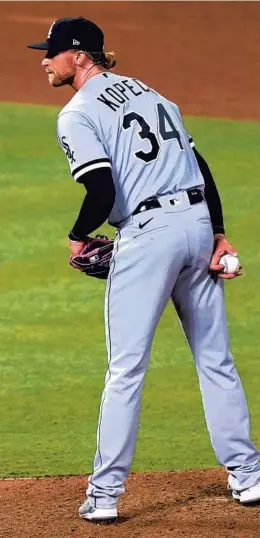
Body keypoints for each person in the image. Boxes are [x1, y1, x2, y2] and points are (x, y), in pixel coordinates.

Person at [28, 17, 260, 522]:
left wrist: (75, 239)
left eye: (52, 52)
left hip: (149, 236)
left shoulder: (78, 113)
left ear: (80, 56)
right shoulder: (155, 95)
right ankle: (248, 477)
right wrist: (217, 233)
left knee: (125, 370)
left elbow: (102, 191)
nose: (44, 59)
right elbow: (201, 167)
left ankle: (105, 496)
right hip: (198, 226)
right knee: (215, 359)